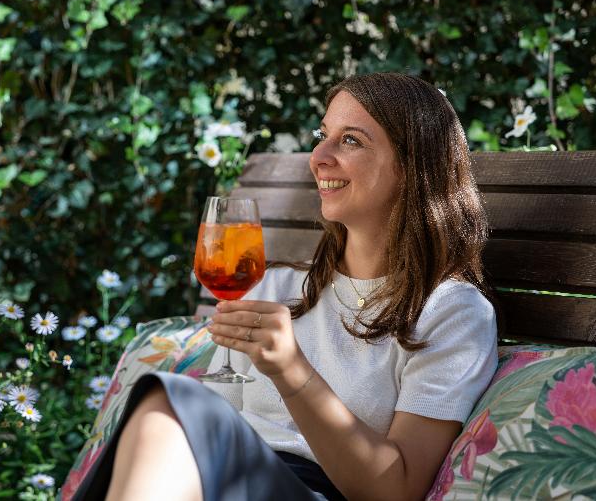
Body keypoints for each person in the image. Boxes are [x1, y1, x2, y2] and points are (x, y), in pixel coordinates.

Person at [83, 72, 498, 501]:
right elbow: (215, 417)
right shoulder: (273, 287)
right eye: (323, 135)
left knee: (166, 405)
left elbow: (397, 490)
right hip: (221, 480)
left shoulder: (453, 312)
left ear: (413, 167)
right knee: (169, 410)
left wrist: (291, 370)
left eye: (351, 140)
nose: (319, 156)